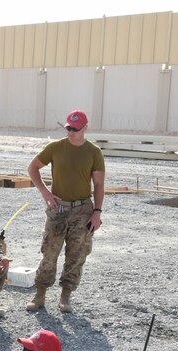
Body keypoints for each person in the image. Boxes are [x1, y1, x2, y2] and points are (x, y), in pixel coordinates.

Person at [25, 110, 105, 313]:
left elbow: (98, 184)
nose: (70, 132)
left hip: (83, 210)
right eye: (68, 128)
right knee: (49, 252)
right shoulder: (55, 148)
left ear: (85, 128)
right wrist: (45, 192)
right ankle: (40, 294)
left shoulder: (94, 152)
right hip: (58, 209)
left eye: (75, 129)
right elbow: (32, 168)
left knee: (76, 255)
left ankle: (65, 296)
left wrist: (97, 212)